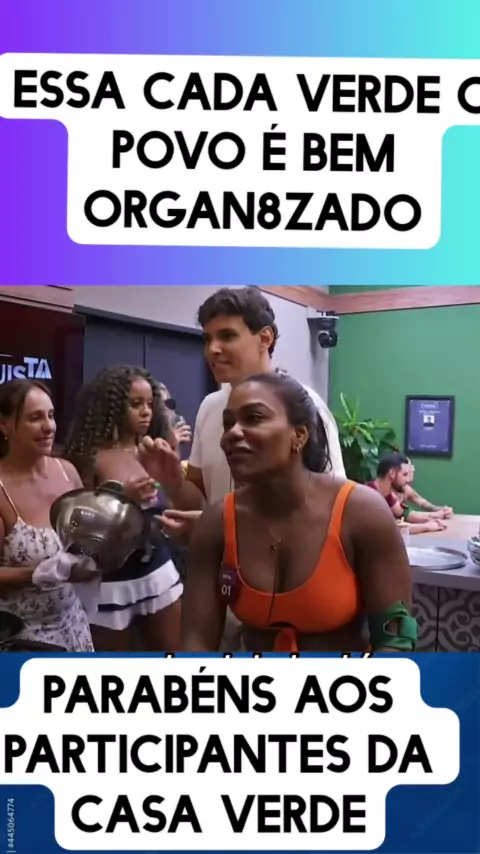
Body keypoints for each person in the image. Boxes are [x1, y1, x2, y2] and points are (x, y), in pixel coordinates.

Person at [173, 372, 417, 653]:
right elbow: (196, 642)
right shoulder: (216, 523)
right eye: (228, 423)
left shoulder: (362, 512)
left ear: (299, 435)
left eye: (254, 418)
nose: (232, 433)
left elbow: (395, 642)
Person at [64, 366, 183, 652]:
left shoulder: (157, 448)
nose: (146, 412)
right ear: (113, 406)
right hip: (110, 580)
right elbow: (77, 529)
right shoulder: (91, 457)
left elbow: (174, 502)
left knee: (173, 657)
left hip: (157, 568)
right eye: (136, 403)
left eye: (150, 404)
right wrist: (121, 497)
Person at [0, 380, 94, 651]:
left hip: (75, 625)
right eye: (35, 418)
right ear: (4, 425)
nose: (49, 426)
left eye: (51, 415)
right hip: (23, 639)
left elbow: (88, 537)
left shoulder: (67, 472)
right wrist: (37, 573)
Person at [367, 453, 448, 534]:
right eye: (404, 474)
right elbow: (391, 529)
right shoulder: (369, 495)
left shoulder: (387, 495)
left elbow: (406, 515)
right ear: (392, 473)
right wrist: (426, 526)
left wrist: (433, 519)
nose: (408, 480)